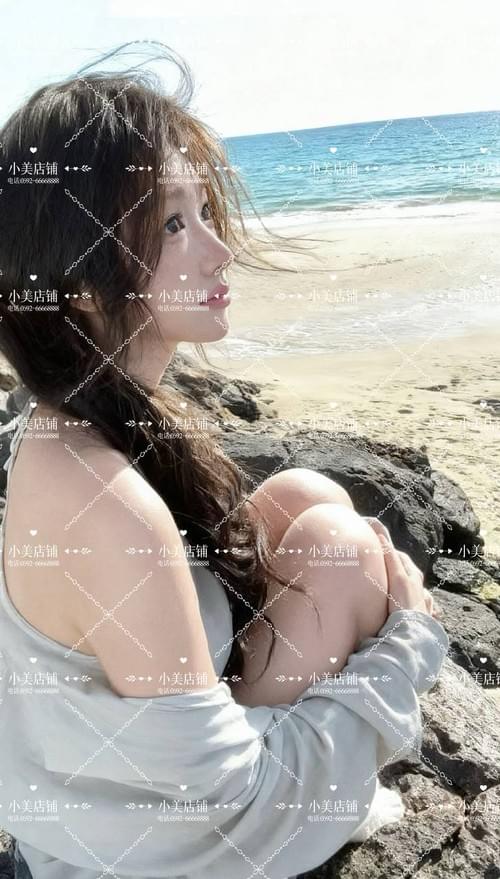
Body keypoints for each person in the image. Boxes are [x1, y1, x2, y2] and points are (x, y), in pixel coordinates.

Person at [0, 41, 448, 879]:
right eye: (173, 224)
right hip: (127, 855)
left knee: (304, 499)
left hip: (102, 800)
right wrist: (407, 648)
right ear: (80, 279)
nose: (218, 249)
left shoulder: (69, 420)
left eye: (205, 209)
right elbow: (227, 815)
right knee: (343, 549)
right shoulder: (102, 498)